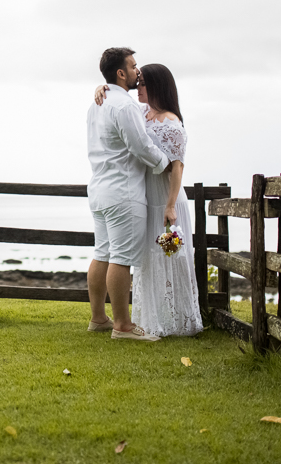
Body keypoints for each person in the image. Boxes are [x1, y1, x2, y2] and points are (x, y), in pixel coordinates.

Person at [94, 63, 203, 337]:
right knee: (148, 261)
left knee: (170, 256)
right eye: (137, 82)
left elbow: (177, 167)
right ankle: (152, 319)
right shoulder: (140, 113)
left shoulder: (171, 122)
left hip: (167, 201)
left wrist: (169, 206)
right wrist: (101, 88)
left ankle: (177, 321)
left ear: (156, 87)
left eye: (142, 84)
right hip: (145, 197)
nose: (137, 88)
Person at [86, 47, 171, 342]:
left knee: (102, 253)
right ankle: (122, 325)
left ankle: (99, 318)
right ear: (121, 73)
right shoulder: (123, 106)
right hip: (123, 192)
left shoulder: (97, 103)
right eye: (134, 67)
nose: (138, 72)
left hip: (99, 189)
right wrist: (166, 165)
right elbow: (140, 146)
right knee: (120, 258)